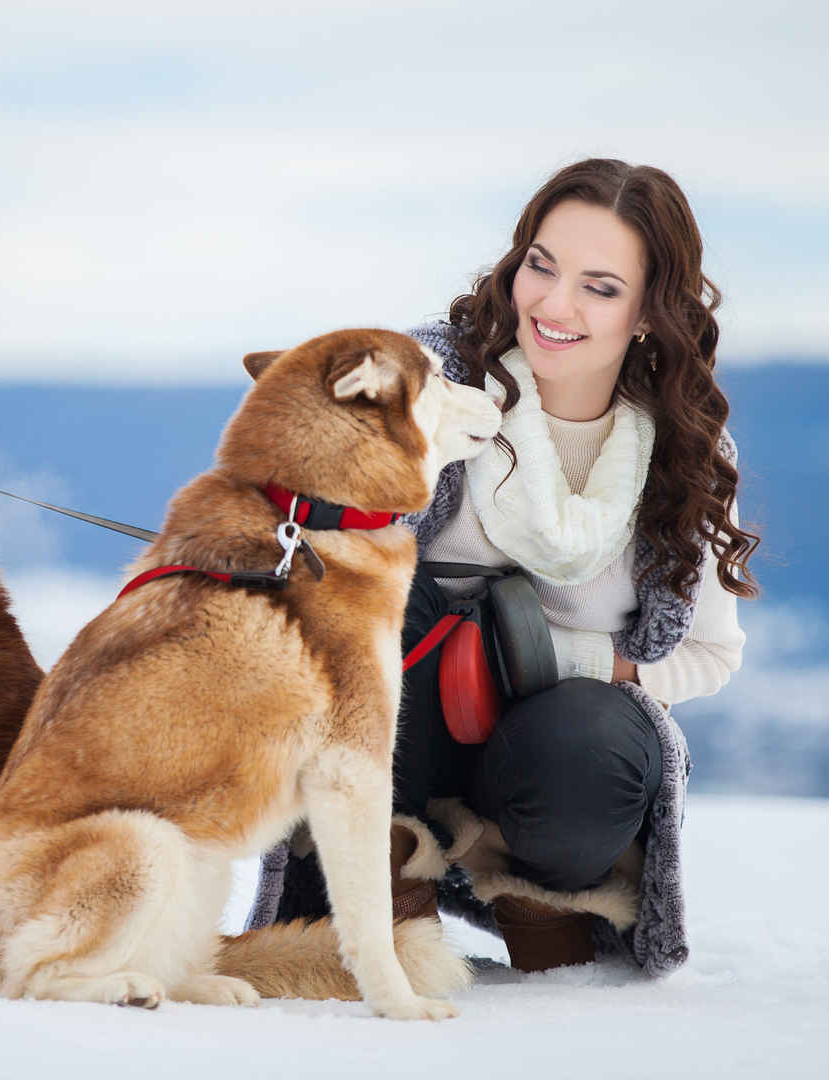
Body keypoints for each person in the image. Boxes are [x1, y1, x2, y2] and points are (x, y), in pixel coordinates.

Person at [244, 158, 759, 976]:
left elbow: (710, 654)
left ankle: (545, 908)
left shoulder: (685, 454)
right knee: (369, 597)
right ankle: (378, 877)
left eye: (599, 287)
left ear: (650, 314)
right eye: (541, 267)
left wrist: (572, 662)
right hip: (401, 734)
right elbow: (305, 552)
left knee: (597, 740)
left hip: (545, 764)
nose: (552, 306)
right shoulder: (431, 383)